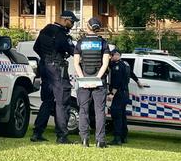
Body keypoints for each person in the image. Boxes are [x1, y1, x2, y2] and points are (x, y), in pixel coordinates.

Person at [30, 10, 78, 144]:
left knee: (47, 101)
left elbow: (36, 47)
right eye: (71, 22)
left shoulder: (46, 30)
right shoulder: (62, 34)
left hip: (45, 67)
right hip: (57, 69)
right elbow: (72, 51)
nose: (73, 25)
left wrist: (46, 57)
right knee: (62, 101)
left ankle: (37, 132)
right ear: (64, 20)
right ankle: (62, 136)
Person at [73, 18, 110, 148]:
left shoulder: (80, 42)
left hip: (84, 81)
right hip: (99, 82)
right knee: (99, 111)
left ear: (87, 27)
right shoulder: (103, 43)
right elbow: (105, 64)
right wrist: (97, 79)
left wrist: (83, 79)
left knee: (83, 111)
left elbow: (76, 63)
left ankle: (84, 139)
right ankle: (100, 141)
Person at [108, 50, 146, 145]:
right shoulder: (126, 64)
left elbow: (117, 82)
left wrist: (112, 94)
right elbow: (132, 74)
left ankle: (117, 138)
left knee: (116, 115)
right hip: (125, 93)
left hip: (119, 93)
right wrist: (138, 82)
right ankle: (124, 136)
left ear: (116, 55)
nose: (111, 58)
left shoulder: (117, 66)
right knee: (122, 115)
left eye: (111, 56)